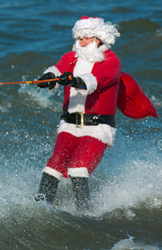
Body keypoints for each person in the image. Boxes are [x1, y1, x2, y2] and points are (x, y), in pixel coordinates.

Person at [36, 16, 122, 211]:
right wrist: (49, 78)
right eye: (80, 38)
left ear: (98, 39)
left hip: (97, 128)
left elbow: (95, 80)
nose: (82, 43)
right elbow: (58, 69)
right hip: (69, 125)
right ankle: (41, 206)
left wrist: (74, 81)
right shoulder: (71, 58)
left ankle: (84, 212)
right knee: (53, 165)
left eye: (87, 38)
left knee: (78, 167)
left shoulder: (111, 62)